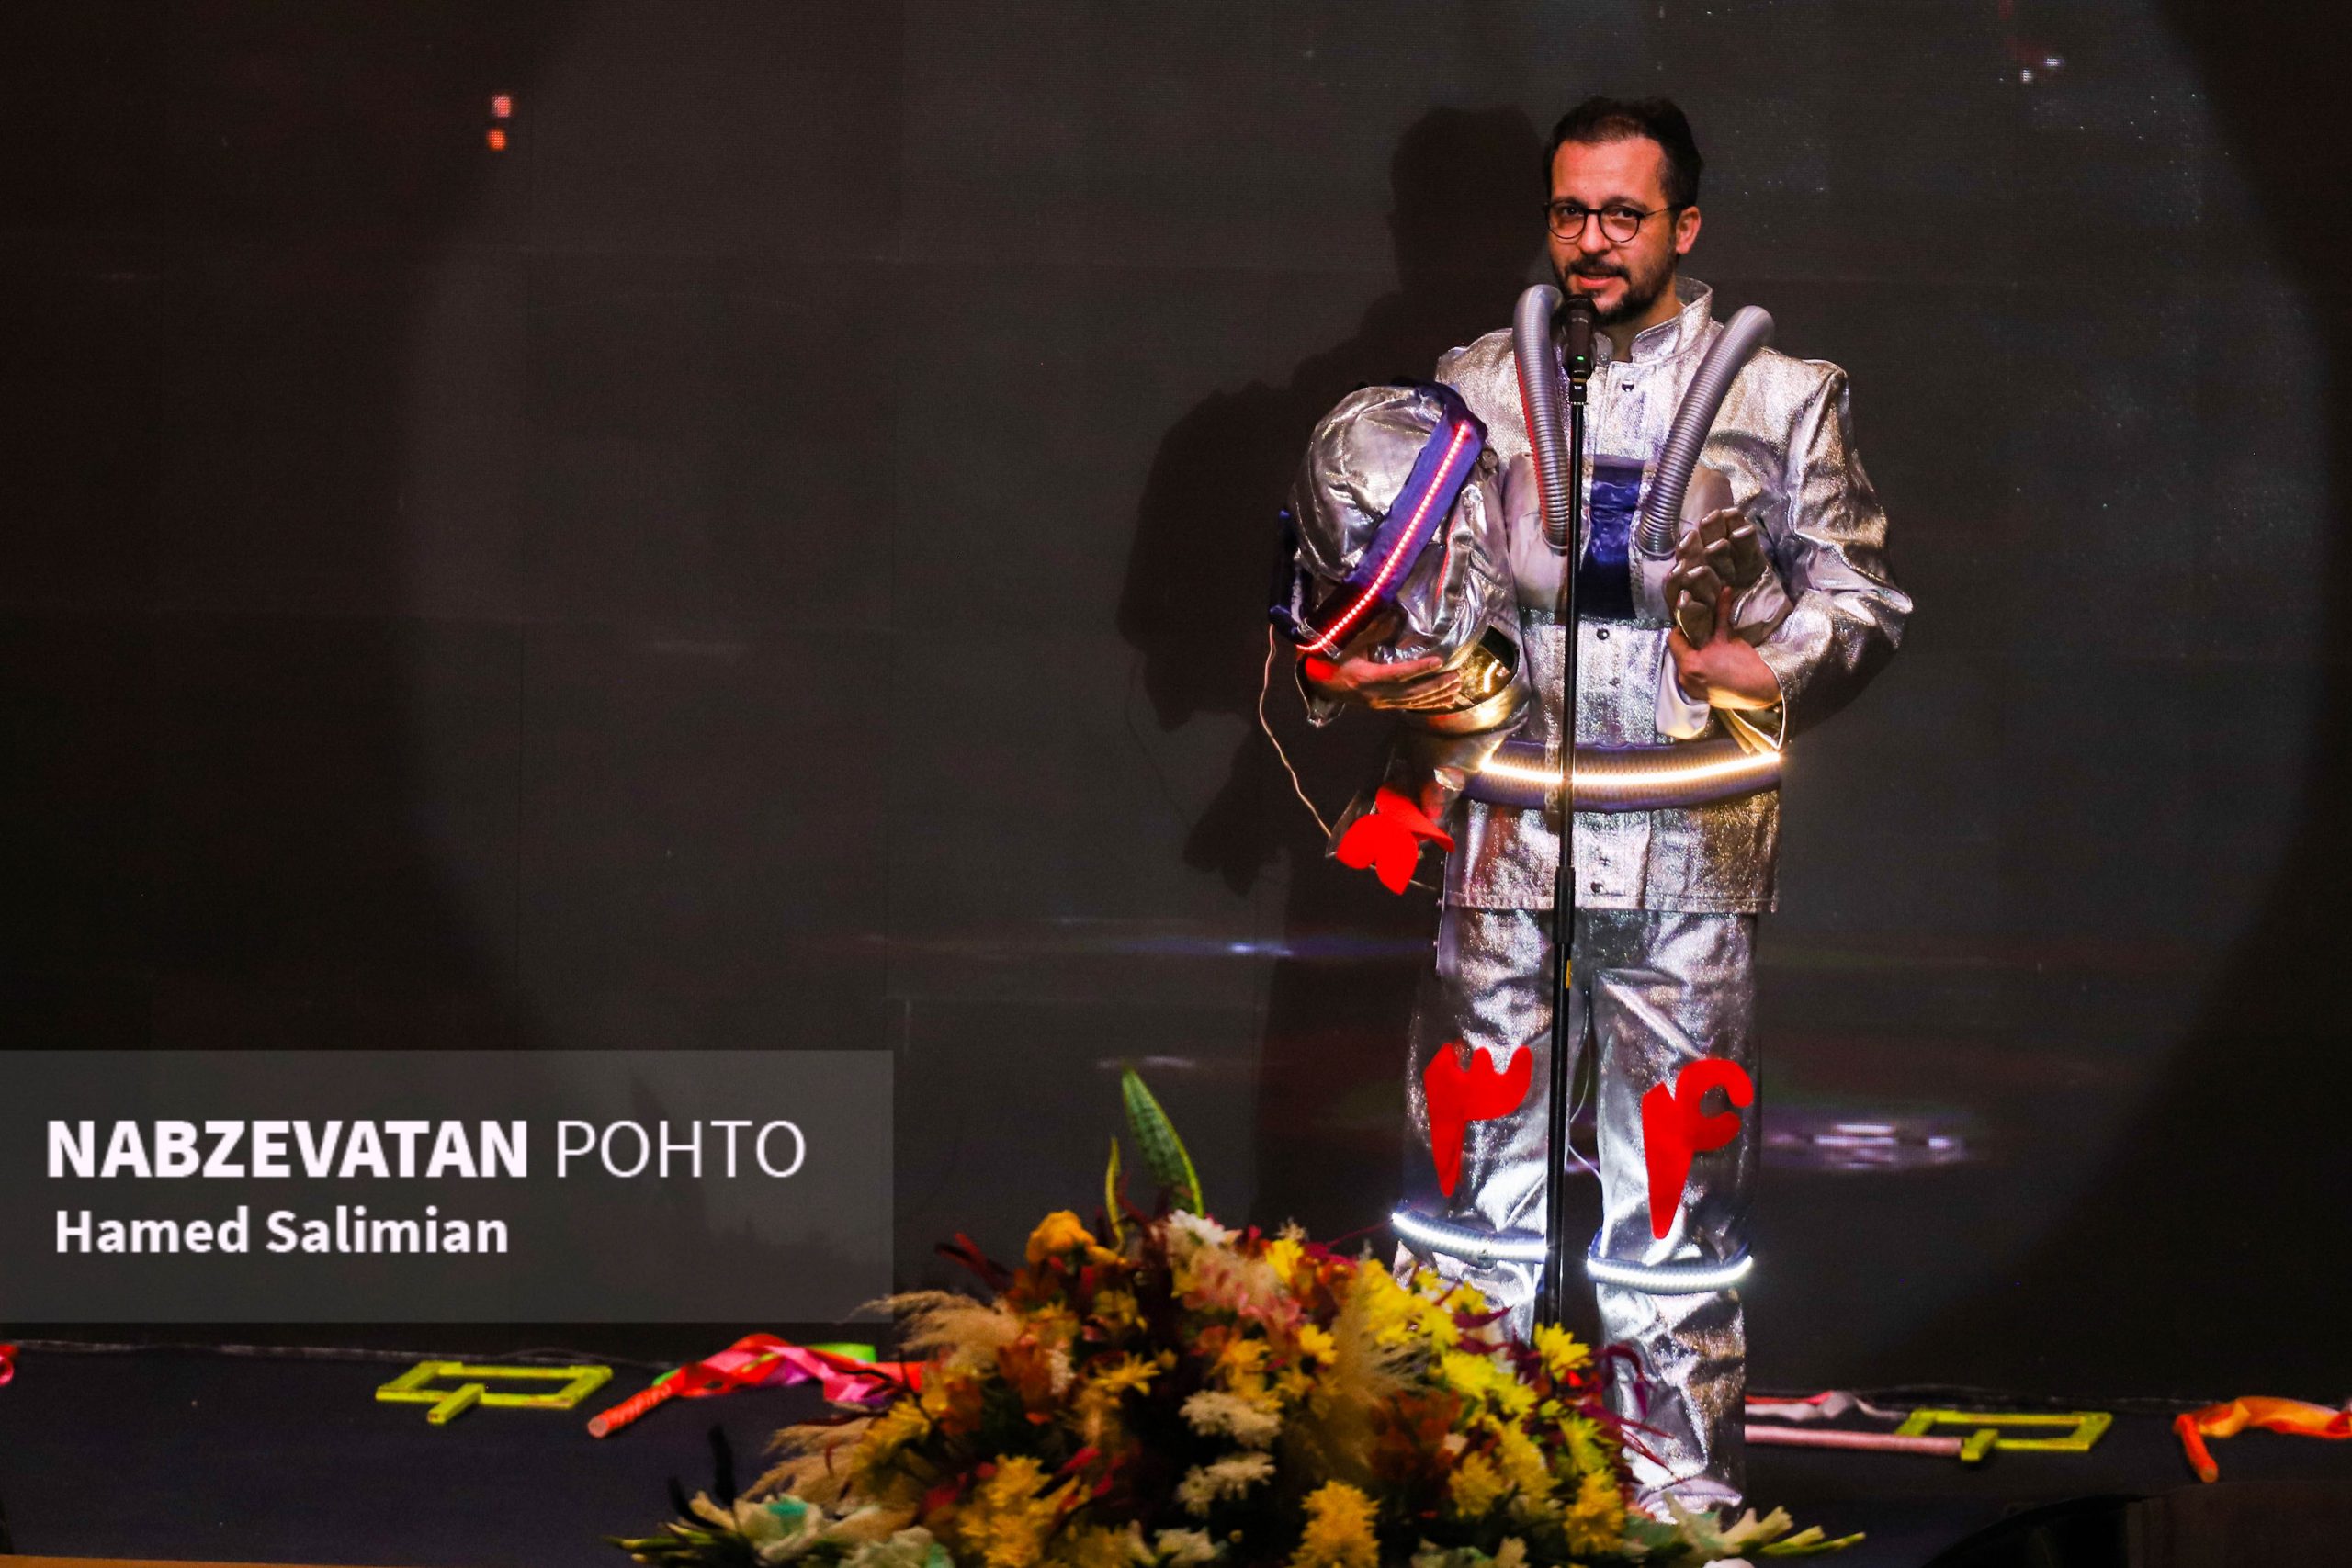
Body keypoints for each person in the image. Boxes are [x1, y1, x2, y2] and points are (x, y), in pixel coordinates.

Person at [1300, 96, 1910, 1516]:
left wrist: (1774, 659)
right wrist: (1370, 659)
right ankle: (1464, 1486)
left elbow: (1862, 592)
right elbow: (1422, 593)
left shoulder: (1782, 394)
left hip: (1689, 848)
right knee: (1468, 1187)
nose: (1592, 240)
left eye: (1623, 215)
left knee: (1675, 1197)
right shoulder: (1473, 383)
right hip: (1506, 838)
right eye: (1571, 212)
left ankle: (1673, 1507)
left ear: (1683, 227)